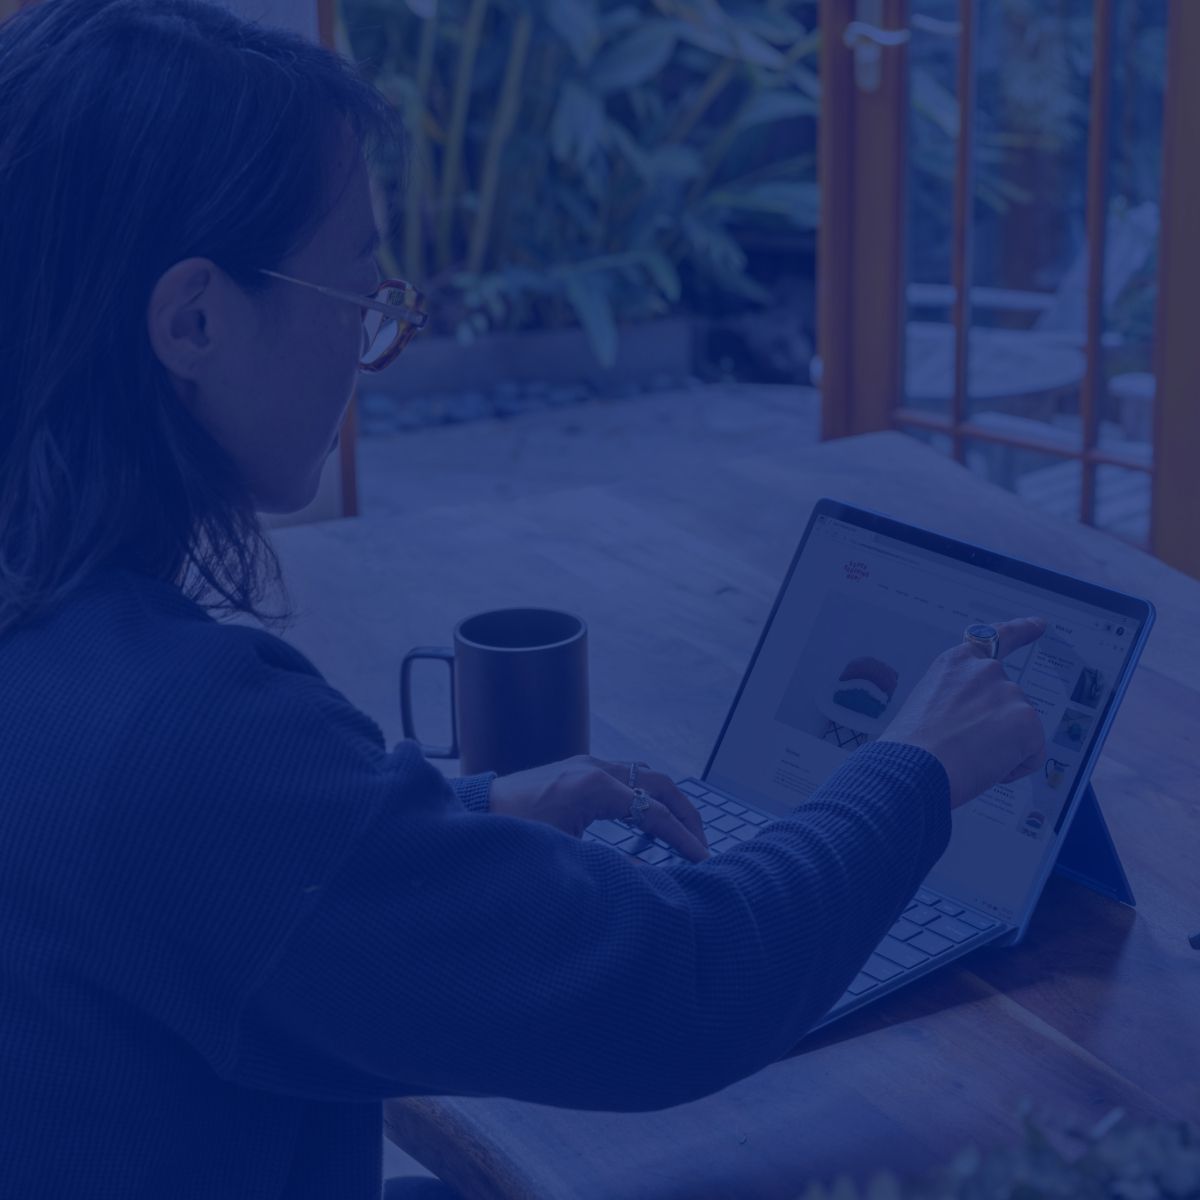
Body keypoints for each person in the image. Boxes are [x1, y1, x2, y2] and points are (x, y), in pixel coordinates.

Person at [0, 2, 1048, 1197]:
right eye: (358, 293)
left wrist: (460, 820)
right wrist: (920, 765)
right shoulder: (176, 731)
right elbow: (681, 984)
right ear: (193, 320)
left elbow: (181, 877)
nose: (370, 342)